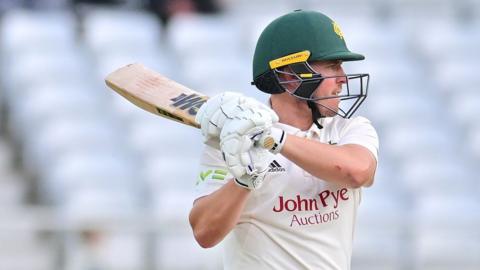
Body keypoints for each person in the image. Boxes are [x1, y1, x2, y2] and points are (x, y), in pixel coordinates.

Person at [189, 10, 379, 270]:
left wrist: (274, 138)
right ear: (291, 76)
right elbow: (204, 233)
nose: (343, 79)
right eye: (333, 66)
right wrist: (244, 180)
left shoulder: (350, 130)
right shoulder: (233, 141)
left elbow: (357, 171)